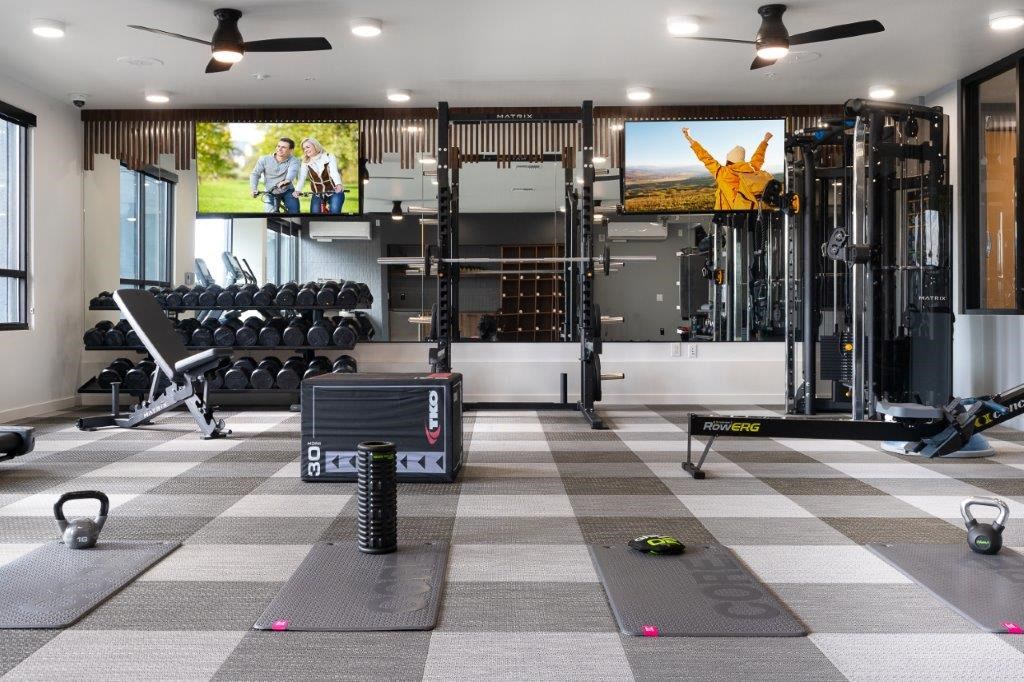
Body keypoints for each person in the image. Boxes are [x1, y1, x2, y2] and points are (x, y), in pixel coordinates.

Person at [681, 127, 773, 211]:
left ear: (729, 160)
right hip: (749, 213)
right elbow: (758, 157)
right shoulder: (752, 169)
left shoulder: (723, 172)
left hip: (727, 215)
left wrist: (689, 138)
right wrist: (765, 141)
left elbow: (705, 157)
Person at [293, 137, 345, 214]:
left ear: (315, 145)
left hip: (334, 191)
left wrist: (338, 184)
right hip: (317, 193)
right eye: (304, 148)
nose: (305, 150)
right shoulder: (305, 162)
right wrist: (297, 190)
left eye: (308, 147)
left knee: (334, 212)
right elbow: (302, 178)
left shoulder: (329, 156)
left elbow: (334, 172)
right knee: (314, 215)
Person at [250, 137, 300, 213]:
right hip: (270, 191)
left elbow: (292, 172)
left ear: (291, 150)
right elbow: (255, 174)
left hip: (287, 190)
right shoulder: (264, 159)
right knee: (270, 215)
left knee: (295, 212)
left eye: (283, 147)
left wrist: (287, 181)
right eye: (278, 146)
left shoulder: (294, 160)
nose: (279, 149)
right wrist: (253, 189)